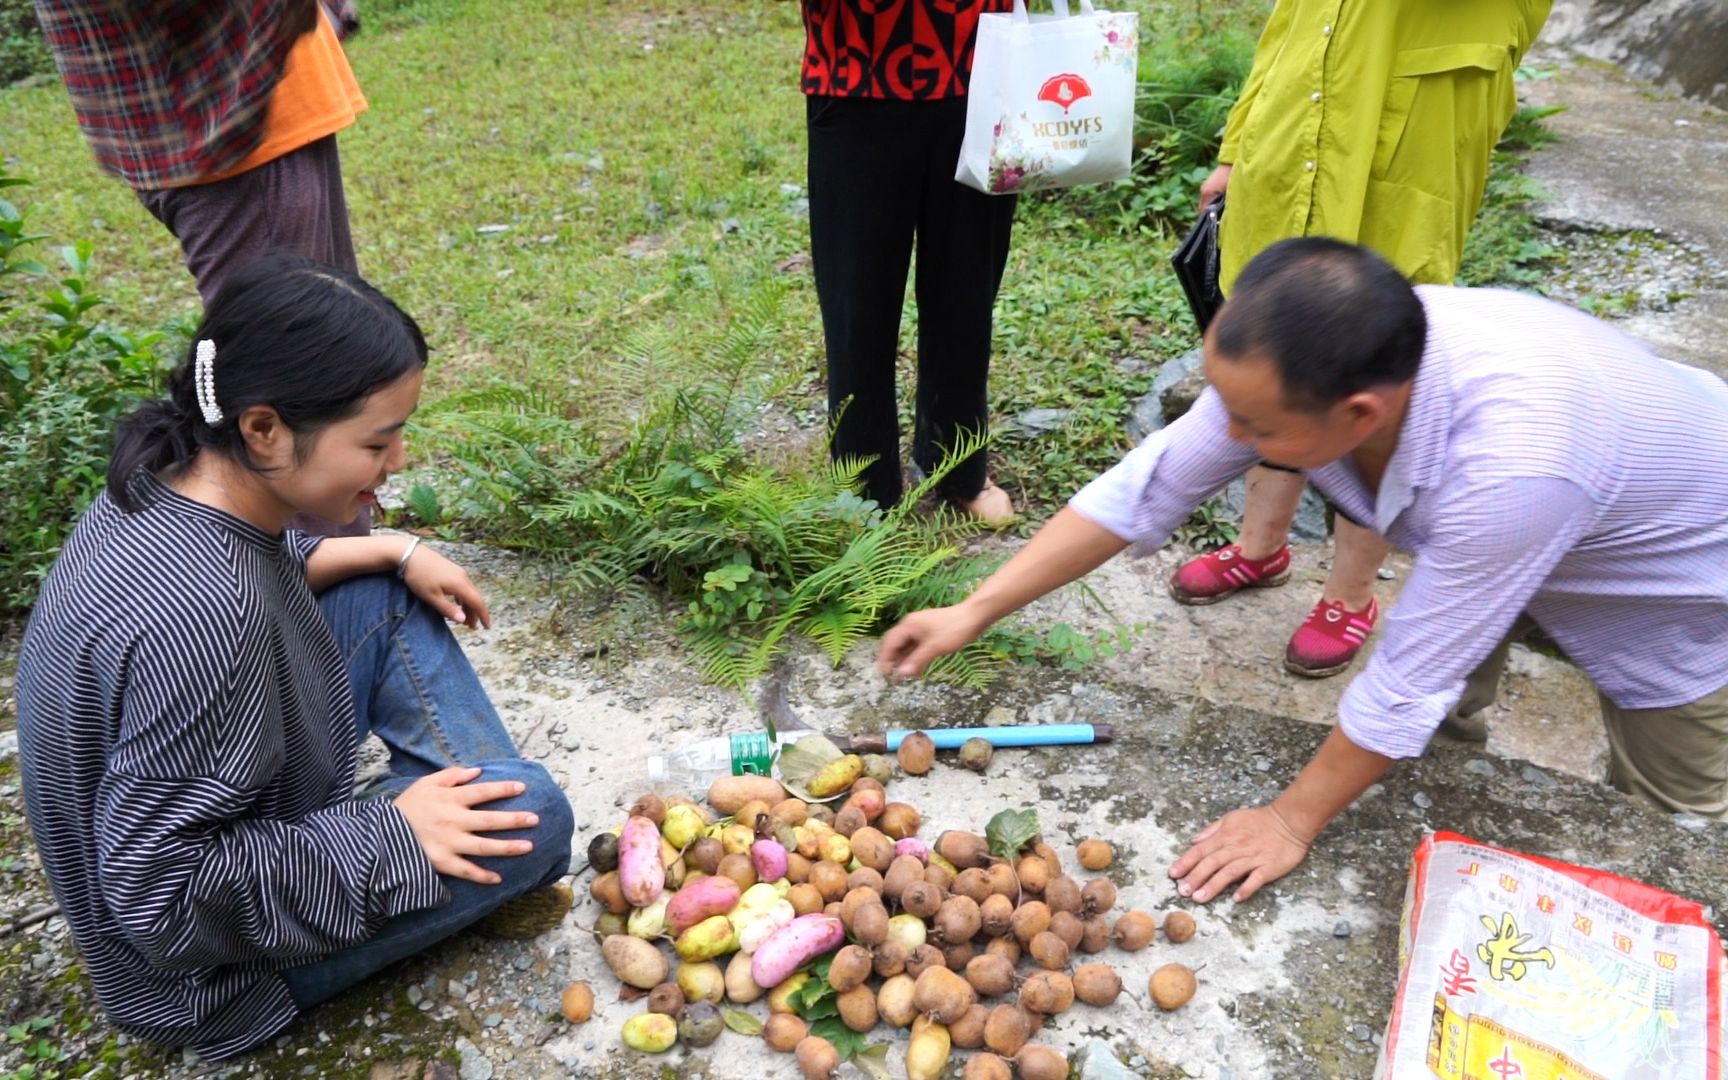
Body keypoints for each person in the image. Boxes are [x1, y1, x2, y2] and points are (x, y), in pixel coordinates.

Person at [879, 238, 1728, 905]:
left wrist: (1288, 819)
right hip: (1520, 526)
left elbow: (1408, 676)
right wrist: (976, 608)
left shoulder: (1515, 470)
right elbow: (1149, 484)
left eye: (1253, 426)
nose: (1229, 437)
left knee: (1672, 816)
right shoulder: (1316, 361)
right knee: (1437, 717)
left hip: (1672, 574)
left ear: (1360, 414)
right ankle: (1437, 811)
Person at [14, 255, 574, 1059]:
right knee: (537, 813)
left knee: (383, 589)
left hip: (227, 800)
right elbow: (157, 898)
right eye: (379, 440)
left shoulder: (167, 479)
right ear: (264, 429)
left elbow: (263, 571)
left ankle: (454, 830)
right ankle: (450, 842)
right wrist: (390, 841)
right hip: (202, 979)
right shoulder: (204, 617)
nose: (400, 460)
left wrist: (393, 547)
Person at [1167, 0, 1552, 678]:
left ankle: (1352, 594)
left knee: (1375, 370)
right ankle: (1260, 547)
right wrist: (1237, 149)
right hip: (1292, 138)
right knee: (1278, 343)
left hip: (1405, 139)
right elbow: (1290, 23)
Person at [34, 0, 370, 535]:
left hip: (254, 105)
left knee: (332, 376)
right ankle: (323, 607)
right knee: (303, 397)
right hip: (231, 127)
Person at [801, 0, 1018, 522]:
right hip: (857, 76)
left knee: (966, 292)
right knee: (859, 303)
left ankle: (957, 464)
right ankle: (863, 484)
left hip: (983, 74)